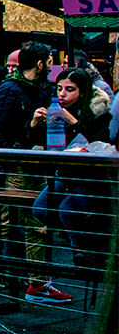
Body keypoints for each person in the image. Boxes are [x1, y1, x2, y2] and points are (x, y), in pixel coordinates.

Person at [0, 41, 63, 303]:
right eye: (49, 61)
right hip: (16, 165)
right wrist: (20, 144)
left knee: (35, 222)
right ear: (40, 64)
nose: (51, 66)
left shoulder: (38, 89)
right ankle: (6, 277)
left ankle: (33, 282)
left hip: (33, 163)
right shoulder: (9, 90)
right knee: (12, 223)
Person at [33, 68, 115, 271]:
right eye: (59, 88)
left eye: (70, 89)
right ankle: (84, 247)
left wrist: (73, 121)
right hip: (67, 173)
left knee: (68, 209)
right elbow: (41, 144)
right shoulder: (54, 112)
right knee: (41, 209)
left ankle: (84, 252)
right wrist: (34, 124)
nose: (62, 94)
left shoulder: (99, 112)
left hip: (92, 178)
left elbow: (101, 140)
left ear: (82, 91)